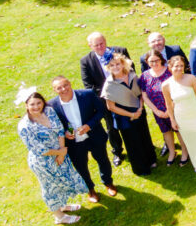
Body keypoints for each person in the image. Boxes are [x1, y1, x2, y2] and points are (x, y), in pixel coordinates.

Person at [18, 89, 88, 225]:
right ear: (26, 105)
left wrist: (62, 150)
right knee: (50, 187)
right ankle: (59, 216)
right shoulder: (24, 126)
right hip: (43, 161)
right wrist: (60, 153)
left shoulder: (49, 112)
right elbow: (38, 149)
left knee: (62, 181)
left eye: (39, 103)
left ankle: (62, 205)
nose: (36, 107)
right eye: (32, 104)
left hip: (60, 153)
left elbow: (60, 130)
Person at [47, 76, 116, 201]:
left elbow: (101, 110)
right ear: (54, 90)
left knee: (102, 160)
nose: (64, 89)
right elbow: (53, 125)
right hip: (73, 142)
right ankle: (90, 190)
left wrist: (89, 125)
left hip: (94, 135)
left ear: (70, 83)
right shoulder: (52, 105)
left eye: (65, 85)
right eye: (59, 88)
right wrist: (65, 132)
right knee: (81, 166)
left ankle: (108, 183)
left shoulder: (87, 94)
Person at [80, 32, 132, 166]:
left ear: (105, 41)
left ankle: (135, 148)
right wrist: (110, 93)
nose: (100, 47)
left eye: (102, 43)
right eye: (96, 45)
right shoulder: (86, 61)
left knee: (131, 122)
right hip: (106, 100)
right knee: (111, 127)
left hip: (126, 95)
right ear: (90, 46)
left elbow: (130, 71)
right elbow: (89, 85)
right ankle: (117, 151)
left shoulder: (120, 51)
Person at [101, 55, 157, 176]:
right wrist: (131, 114)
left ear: (123, 64)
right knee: (133, 143)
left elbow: (140, 93)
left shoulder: (131, 74)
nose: (115, 67)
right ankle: (141, 168)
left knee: (144, 136)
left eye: (117, 64)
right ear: (108, 67)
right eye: (112, 65)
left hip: (139, 110)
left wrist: (140, 108)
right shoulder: (109, 85)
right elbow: (111, 107)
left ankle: (151, 160)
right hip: (124, 116)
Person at [162, 55, 196, 173]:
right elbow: (168, 104)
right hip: (181, 117)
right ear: (170, 67)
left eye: (181, 66)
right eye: (176, 66)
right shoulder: (166, 85)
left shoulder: (191, 78)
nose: (179, 68)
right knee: (191, 142)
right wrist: (172, 120)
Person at [138, 51, 179, 165]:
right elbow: (144, 95)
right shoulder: (144, 76)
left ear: (161, 59)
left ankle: (185, 152)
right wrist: (156, 111)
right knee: (166, 131)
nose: (154, 63)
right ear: (147, 62)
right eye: (151, 61)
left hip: (173, 107)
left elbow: (178, 90)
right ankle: (172, 152)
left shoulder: (170, 72)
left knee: (178, 130)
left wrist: (169, 109)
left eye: (156, 60)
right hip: (158, 111)